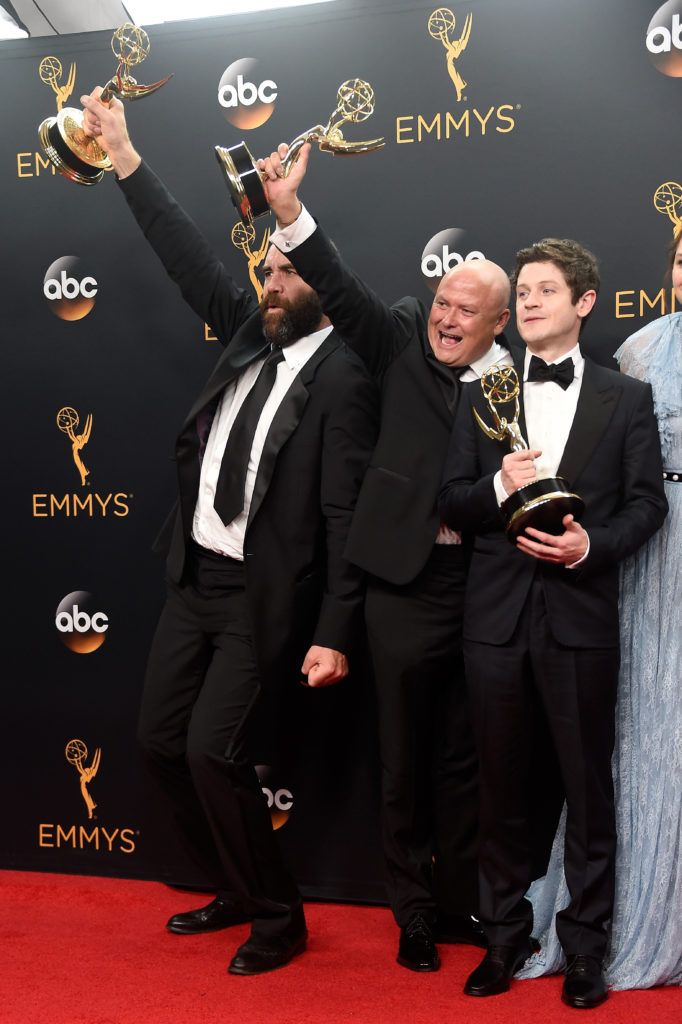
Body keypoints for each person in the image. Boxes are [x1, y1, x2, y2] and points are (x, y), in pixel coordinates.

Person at [80, 91, 378, 975]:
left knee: (216, 749)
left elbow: (339, 516)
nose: (271, 283)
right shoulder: (248, 333)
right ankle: (237, 885)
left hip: (262, 601)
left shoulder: (345, 378)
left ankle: (279, 917)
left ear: (325, 285)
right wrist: (125, 155)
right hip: (194, 579)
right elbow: (182, 252)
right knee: (158, 743)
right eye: (268, 272)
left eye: (287, 274)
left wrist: (332, 633)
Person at [256, 142, 512, 972]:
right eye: (441, 301)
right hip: (401, 588)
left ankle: (455, 904)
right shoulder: (396, 339)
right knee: (401, 758)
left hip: (482, 589)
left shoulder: (521, 380)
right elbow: (342, 288)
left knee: (463, 762)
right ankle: (408, 912)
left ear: (496, 324)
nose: (446, 318)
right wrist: (290, 214)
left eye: (464, 311)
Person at [439, 238, 668, 1008]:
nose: (529, 301)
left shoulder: (625, 398)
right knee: (500, 789)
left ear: (585, 304)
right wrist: (496, 485)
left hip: (580, 618)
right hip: (496, 622)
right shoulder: (482, 393)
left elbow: (649, 505)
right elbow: (451, 503)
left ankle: (584, 951)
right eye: (524, 290)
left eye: (545, 290)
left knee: (586, 790)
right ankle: (501, 940)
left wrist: (588, 547)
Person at [520, 229, 682, 990]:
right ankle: (607, 916)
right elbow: (631, 482)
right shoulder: (642, 348)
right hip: (642, 563)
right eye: (680, 257)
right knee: (631, 732)